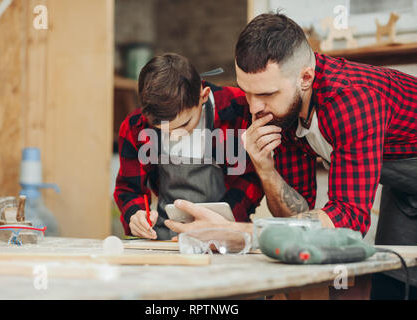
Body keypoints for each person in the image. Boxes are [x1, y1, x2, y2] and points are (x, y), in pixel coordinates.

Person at [164, 13, 417, 299]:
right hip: (405, 187)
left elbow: (349, 220)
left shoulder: (352, 99)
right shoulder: (281, 112)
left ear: (305, 78)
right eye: (246, 92)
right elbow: (297, 215)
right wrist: (266, 169)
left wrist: (238, 233)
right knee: (393, 286)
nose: (254, 107)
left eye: (267, 94)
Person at [114, 53, 264, 240]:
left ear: (203, 96)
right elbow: (129, 188)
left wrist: (224, 223)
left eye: (184, 125)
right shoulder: (136, 127)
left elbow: (251, 178)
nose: (175, 136)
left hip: (225, 233)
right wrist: (135, 214)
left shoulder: (236, 109)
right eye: (164, 130)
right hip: (167, 235)